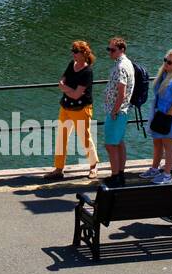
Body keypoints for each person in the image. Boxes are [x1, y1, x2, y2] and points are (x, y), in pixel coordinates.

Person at [47, 40, 99, 180]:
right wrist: (70, 90)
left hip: (81, 109)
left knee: (85, 138)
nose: (73, 54)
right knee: (61, 137)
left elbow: (77, 94)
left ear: (84, 54)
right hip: (66, 107)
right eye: (73, 51)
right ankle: (58, 168)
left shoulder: (87, 72)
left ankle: (93, 166)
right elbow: (62, 83)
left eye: (76, 51)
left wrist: (67, 89)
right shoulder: (72, 64)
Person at [145, 49, 172, 184]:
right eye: (165, 60)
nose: (166, 64)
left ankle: (167, 174)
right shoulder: (163, 75)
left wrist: (167, 116)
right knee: (157, 143)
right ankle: (155, 168)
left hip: (168, 117)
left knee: (168, 145)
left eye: (169, 62)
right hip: (159, 114)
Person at [102, 37, 135, 187]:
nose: (110, 52)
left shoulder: (121, 66)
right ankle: (120, 174)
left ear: (122, 50)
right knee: (119, 143)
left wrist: (114, 111)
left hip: (117, 112)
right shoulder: (127, 63)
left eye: (113, 50)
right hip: (123, 111)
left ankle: (115, 176)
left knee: (110, 145)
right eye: (109, 49)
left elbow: (121, 92)